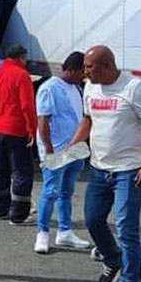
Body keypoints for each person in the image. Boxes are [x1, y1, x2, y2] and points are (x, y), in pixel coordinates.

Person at [67, 45, 141, 282]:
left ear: (107, 65)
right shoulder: (91, 88)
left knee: (126, 227)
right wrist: (69, 151)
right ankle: (112, 259)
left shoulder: (134, 88)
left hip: (129, 170)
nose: (85, 73)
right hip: (99, 168)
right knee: (93, 220)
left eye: (90, 68)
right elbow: (88, 121)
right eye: (85, 68)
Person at [34, 51, 91, 254]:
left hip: (74, 148)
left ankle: (65, 232)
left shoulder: (76, 88)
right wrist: (49, 151)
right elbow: (43, 121)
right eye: (82, 72)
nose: (84, 76)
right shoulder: (49, 88)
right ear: (72, 69)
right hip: (56, 149)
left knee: (67, 192)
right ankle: (42, 233)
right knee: (50, 192)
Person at [0, 44, 37, 224]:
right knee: (21, 171)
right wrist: (31, 129)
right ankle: (19, 215)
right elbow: (27, 106)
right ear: (21, 58)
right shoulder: (21, 75)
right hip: (16, 129)